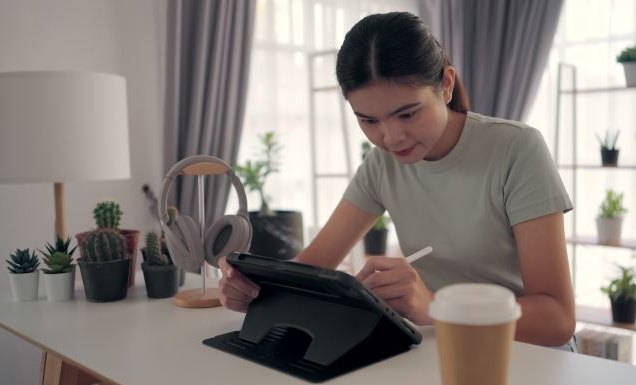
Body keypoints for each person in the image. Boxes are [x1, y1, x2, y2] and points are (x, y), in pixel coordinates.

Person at [218, 11, 576, 351]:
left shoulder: (516, 149)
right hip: (445, 346)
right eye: (368, 121)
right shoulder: (382, 165)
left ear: (446, 85)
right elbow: (315, 263)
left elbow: (558, 319)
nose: (391, 138)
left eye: (407, 113)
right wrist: (256, 285)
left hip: (529, 353)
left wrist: (436, 307)